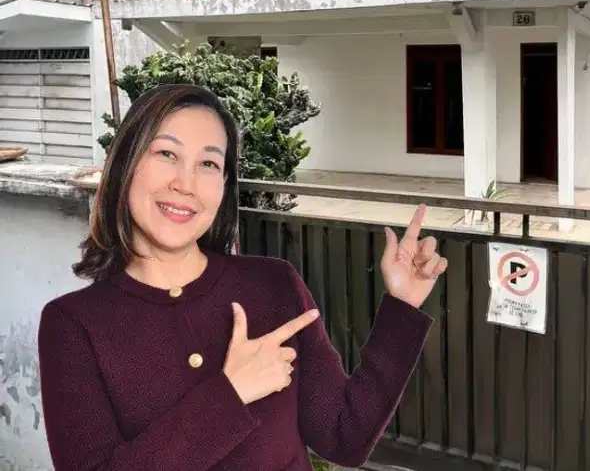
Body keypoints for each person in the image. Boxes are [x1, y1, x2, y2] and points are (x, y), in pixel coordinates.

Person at [37, 83, 447, 470]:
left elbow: (345, 436)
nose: (185, 183)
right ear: (125, 163)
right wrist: (230, 396)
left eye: (209, 163)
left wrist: (402, 306)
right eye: (166, 154)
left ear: (224, 185)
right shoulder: (73, 325)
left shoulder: (273, 286)